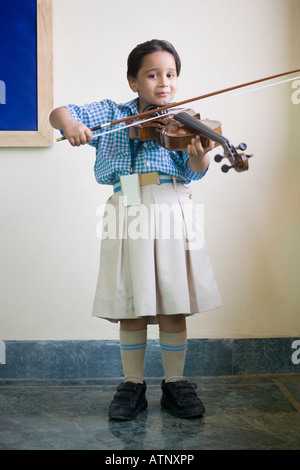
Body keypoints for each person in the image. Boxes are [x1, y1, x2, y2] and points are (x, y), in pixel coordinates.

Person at [50, 39, 222, 420]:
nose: (165, 83)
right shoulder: (111, 112)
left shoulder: (186, 120)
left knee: (173, 301)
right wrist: (72, 125)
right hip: (126, 205)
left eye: (171, 74)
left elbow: (196, 169)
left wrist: (199, 155)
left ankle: (176, 383)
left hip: (172, 203)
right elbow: (59, 112)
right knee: (132, 301)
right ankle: (133, 385)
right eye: (153, 74)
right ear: (133, 81)